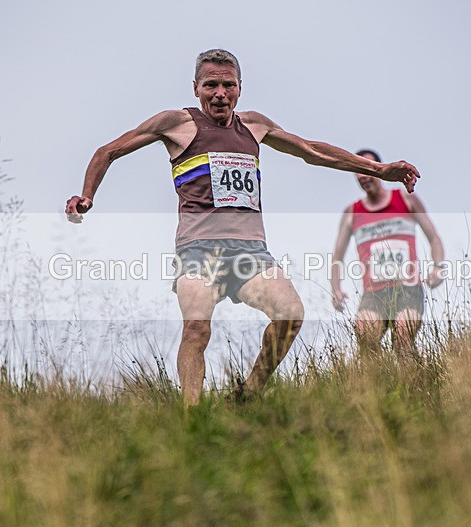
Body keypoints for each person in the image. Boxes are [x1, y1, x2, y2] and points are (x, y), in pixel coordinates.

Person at [65, 50, 420, 405]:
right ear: (196, 88)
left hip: (250, 253)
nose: (220, 93)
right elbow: (107, 151)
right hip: (198, 252)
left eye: (227, 85)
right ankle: (193, 418)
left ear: (239, 88)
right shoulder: (176, 123)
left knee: (291, 315)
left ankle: (248, 393)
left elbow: (311, 150)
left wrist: (379, 169)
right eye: (211, 85)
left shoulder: (254, 126)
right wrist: (87, 195)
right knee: (196, 328)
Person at [330, 149, 444, 360]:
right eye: (357, 173)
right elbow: (337, 256)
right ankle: (378, 390)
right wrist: (336, 289)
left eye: (366, 170)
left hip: (408, 288)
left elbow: (434, 238)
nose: (363, 176)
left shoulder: (405, 199)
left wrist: (438, 268)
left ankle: (414, 389)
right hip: (373, 293)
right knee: (365, 335)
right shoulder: (351, 213)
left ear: (379, 171)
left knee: (402, 337)